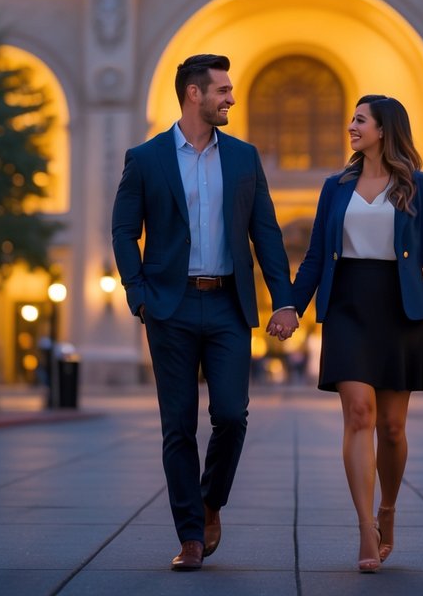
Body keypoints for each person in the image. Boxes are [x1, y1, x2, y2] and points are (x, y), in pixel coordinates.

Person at [111, 53, 297, 572]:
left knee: (231, 417)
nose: (231, 97)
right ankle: (191, 534)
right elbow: (125, 231)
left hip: (227, 305)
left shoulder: (243, 158)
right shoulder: (145, 159)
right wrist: (137, 292)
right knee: (177, 426)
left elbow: (266, 234)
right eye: (223, 90)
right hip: (168, 305)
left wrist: (283, 299)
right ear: (194, 93)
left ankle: (211, 500)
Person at [287, 94, 423, 573]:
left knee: (393, 429)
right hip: (348, 306)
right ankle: (364, 525)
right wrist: (291, 307)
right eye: (352, 118)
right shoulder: (334, 186)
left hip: (399, 308)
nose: (351, 126)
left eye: (360, 120)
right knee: (359, 413)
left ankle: (388, 508)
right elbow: (317, 254)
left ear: (384, 129)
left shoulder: (420, 186)